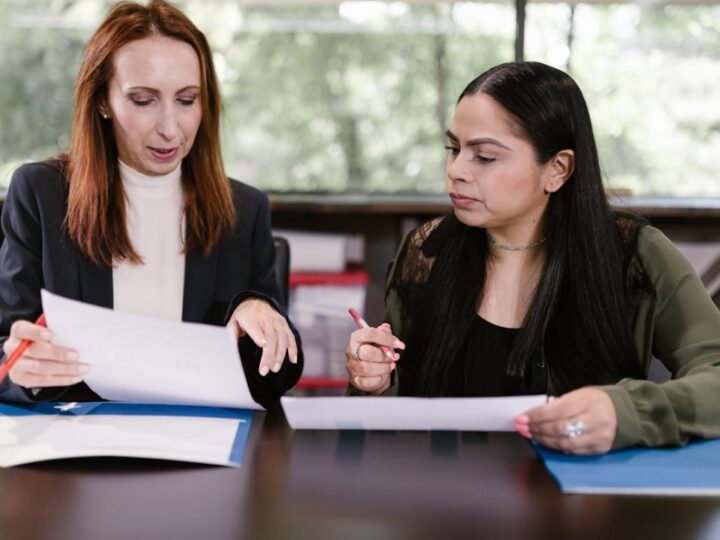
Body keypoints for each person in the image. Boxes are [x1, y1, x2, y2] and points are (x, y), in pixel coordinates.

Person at [345, 61, 720, 454]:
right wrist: (376, 382)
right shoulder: (426, 251)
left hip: (584, 504)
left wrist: (623, 412)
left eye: (484, 157)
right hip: (446, 500)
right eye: (453, 148)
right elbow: (400, 413)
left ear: (557, 169)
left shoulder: (635, 254)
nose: (456, 170)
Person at [0, 0, 302, 408]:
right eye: (144, 101)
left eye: (187, 99)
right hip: (74, 444)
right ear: (102, 101)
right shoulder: (42, 194)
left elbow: (275, 377)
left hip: (197, 444)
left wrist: (262, 317)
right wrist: (18, 366)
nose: (169, 127)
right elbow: (7, 342)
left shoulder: (243, 210)